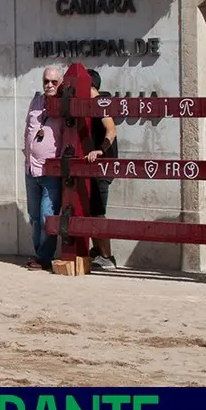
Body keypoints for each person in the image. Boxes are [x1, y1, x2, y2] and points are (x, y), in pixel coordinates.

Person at [23, 67, 65, 271]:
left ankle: (43, 258)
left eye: (53, 82)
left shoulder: (64, 107)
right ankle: (39, 254)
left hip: (50, 172)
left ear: (61, 83)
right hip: (31, 170)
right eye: (46, 81)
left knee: (47, 216)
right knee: (34, 216)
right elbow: (28, 130)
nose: (49, 85)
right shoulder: (36, 102)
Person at [85, 69, 118, 268]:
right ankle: (98, 251)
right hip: (96, 167)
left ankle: (106, 257)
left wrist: (100, 150)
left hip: (103, 167)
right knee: (92, 210)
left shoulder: (101, 103)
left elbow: (111, 130)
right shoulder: (90, 105)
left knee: (97, 211)